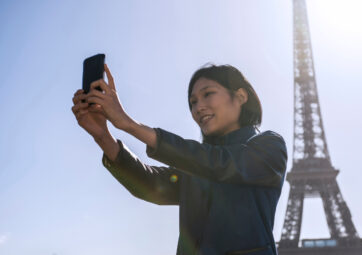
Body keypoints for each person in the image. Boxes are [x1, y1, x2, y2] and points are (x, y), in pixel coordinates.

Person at [71, 63, 288, 255]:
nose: (198, 107)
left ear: (240, 96)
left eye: (208, 94)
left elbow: (220, 163)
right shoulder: (197, 165)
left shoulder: (270, 147)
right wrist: (102, 135)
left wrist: (129, 124)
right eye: (192, 102)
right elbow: (151, 184)